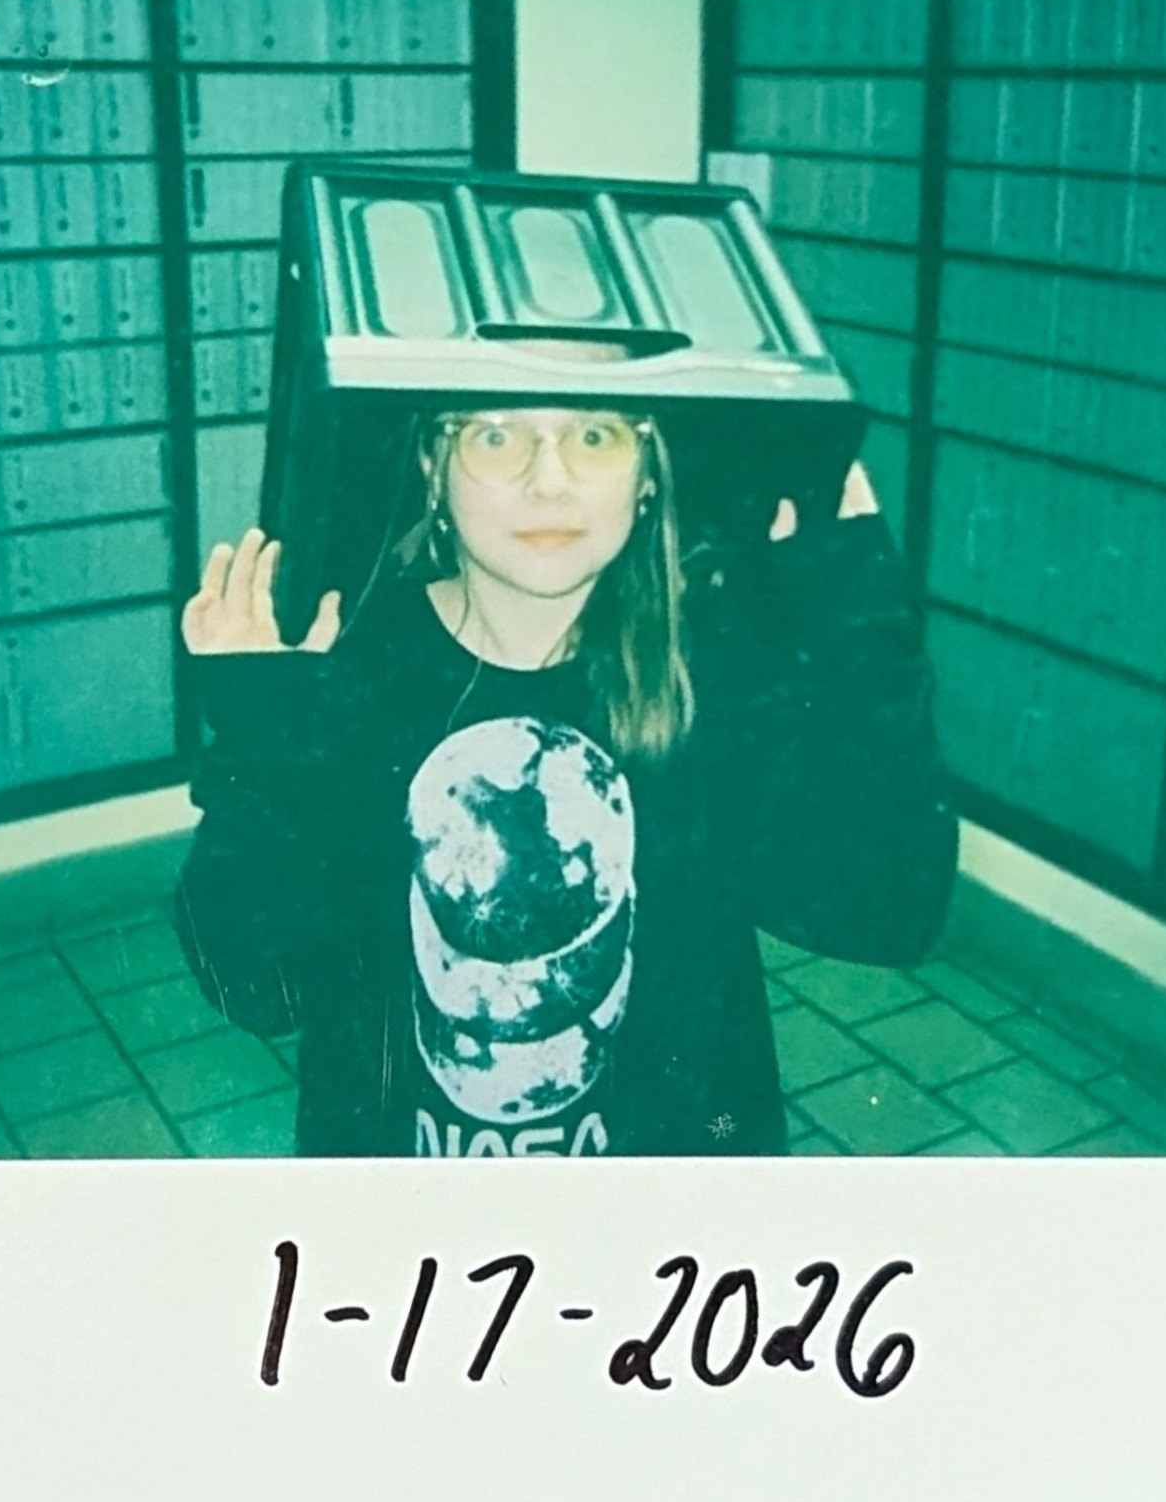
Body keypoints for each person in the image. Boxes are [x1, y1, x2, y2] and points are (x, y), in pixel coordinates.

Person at [174, 370, 958, 1158]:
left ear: (646, 473)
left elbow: (889, 912)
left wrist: (862, 635)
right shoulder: (355, 671)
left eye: (592, 434)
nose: (547, 480)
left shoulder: (715, 675)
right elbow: (256, 986)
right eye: (494, 434)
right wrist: (256, 735)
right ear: (432, 467)